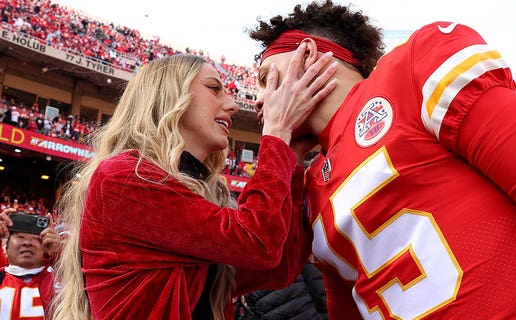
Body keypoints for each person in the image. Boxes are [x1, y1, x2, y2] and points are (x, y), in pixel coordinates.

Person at [249, 1, 516, 319]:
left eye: (266, 77)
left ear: (308, 53)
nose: (260, 100)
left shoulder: (413, 69)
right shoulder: (309, 189)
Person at [51, 52, 338, 320]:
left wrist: (294, 156)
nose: (233, 105)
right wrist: (276, 134)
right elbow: (256, 242)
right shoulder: (123, 177)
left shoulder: (197, 189)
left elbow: (277, 268)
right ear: (168, 97)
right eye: (214, 88)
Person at [0, 209, 61, 320]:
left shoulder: (58, 281)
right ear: (6, 248)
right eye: (20, 237)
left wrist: (58, 255)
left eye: (35, 239)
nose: (27, 243)